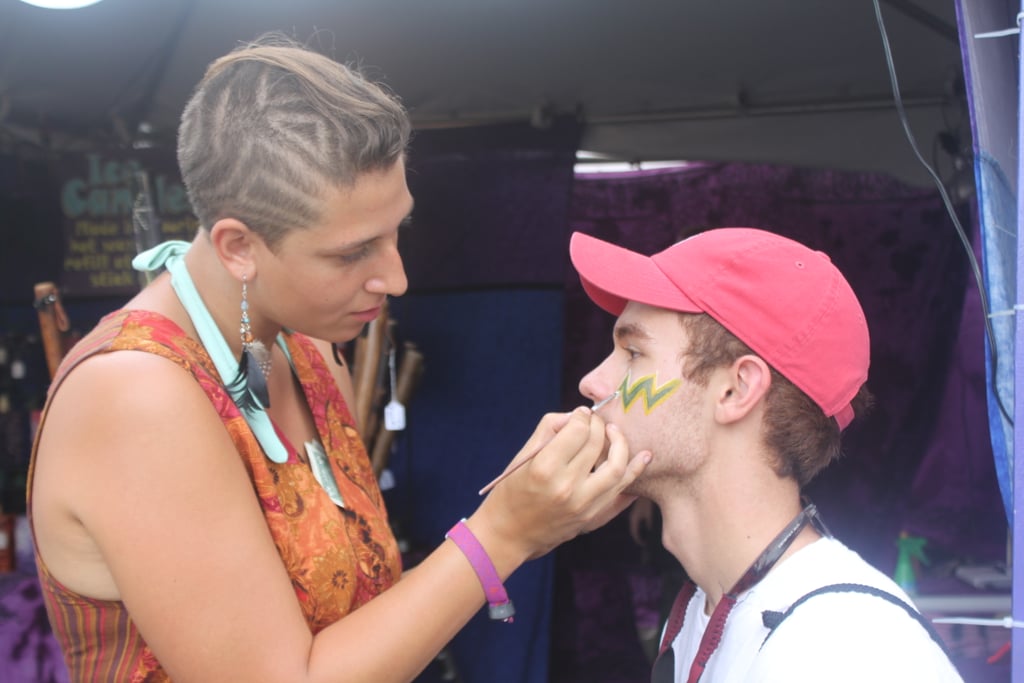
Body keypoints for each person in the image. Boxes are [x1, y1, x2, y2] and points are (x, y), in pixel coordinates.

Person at [26, 35, 649, 682]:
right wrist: (504, 532)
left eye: (396, 231)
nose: (397, 278)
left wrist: (527, 508)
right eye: (354, 252)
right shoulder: (135, 396)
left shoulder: (309, 344)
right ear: (238, 246)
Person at [569, 228, 964, 682]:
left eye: (633, 352)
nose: (592, 382)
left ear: (737, 389)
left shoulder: (844, 650)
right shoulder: (705, 609)